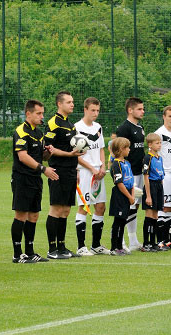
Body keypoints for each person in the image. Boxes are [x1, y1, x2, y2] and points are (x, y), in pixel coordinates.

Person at [11, 100, 56, 263]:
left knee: (34, 215)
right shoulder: (21, 131)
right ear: (28, 113)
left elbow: (41, 156)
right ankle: (17, 254)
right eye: (38, 113)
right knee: (21, 215)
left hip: (35, 179)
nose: (42, 116)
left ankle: (29, 252)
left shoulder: (38, 133)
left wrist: (48, 153)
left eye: (42, 113)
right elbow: (22, 157)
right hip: (22, 178)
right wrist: (44, 169)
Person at [44, 91, 83, 259]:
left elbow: (72, 149)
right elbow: (48, 148)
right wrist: (69, 156)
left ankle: (62, 247)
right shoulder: (53, 123)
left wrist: (76, 169)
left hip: (70, 171)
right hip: (57, 171)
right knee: (56, 209)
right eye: (69, 102)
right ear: (59, 104)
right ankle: (52, 249)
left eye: (73, 101)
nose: (72, 104)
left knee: (66, 210)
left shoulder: (70, 124)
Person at [74, 97, 108, 256]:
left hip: (98, 172)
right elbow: (76, 155)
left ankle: (96, 245)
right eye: (92, 110)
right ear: (85, 110)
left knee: (100, 206)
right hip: (85, 172)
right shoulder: (76, 128)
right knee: (84, 206)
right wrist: (91, 168)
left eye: (98, 110)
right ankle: (81, 247)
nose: (95, 113)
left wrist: (102, 166)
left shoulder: (98, 127)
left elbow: (101, 148)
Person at [115, 97, 146, 250]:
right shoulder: (124, 128)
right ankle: (120, 242)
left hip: (139, 172)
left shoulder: (140, 128)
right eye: (140, 109)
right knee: (126, 206)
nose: (143, 111)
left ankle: (133, 240)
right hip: (129, 173)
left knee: (135, 206)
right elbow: (117, 149)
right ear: (130, 110)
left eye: (143, 108)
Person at [154, 105, 171, 249]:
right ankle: (160, 241)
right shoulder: (159, 133)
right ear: (164, 117)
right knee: (163, 207)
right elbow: (155, 155)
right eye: (170, 116)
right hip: (164, 175)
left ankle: (167, 239)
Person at [108, 137, 135, 255]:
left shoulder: (127, 163)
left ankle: (120, 246)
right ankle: (114, 247)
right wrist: (129, 196)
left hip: (128, 193)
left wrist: (132, 195)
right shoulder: (116, 164)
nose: (129, 149)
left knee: (123, 220)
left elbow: (131, 180)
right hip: (120, 195)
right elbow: (119, 183)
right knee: (117, 221)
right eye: (127, 147)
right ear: (120, 149)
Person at [141, 133, 165, 251]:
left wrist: (162, 193)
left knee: (156, 215)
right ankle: (146, 243)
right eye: (157, 143)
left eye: (160, 142)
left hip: (158, 187)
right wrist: (148, 195)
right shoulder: (148, 158)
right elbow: (146, 176)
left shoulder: (159, 158)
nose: (159, 145)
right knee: (149, 215)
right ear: (150, 144)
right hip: (151, 186)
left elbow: (161, 176)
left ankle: (153, 242)